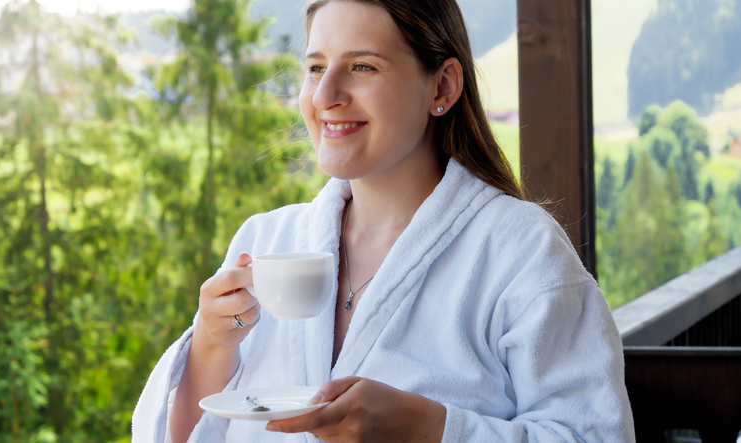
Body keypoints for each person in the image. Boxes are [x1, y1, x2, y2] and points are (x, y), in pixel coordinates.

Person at [133, 0, 635, 441]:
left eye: (362, 67)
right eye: (315, 67)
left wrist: (426, 430)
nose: (324, 95)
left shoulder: (522, 252)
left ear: (442, 86)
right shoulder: (266, 240)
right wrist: (211, 343)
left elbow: (595, 435)